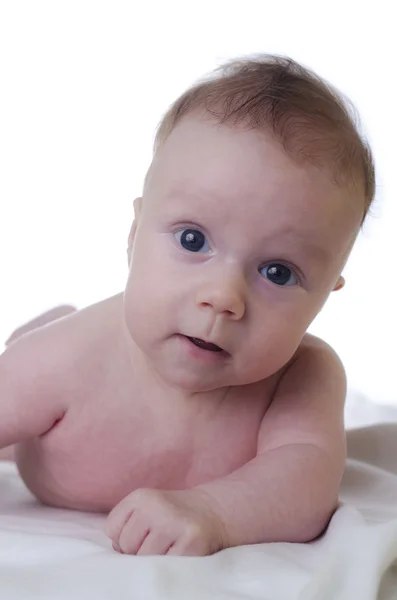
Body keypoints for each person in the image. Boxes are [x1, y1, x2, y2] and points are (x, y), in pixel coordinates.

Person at [0, 55, 375, 556]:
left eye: (278, 273)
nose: (223, 298)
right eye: (193, 240)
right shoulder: (69, 357)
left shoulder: (303, 376)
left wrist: (213, 511)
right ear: (135, 234)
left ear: (325, 295)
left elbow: (307, 485)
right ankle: (42, 325)